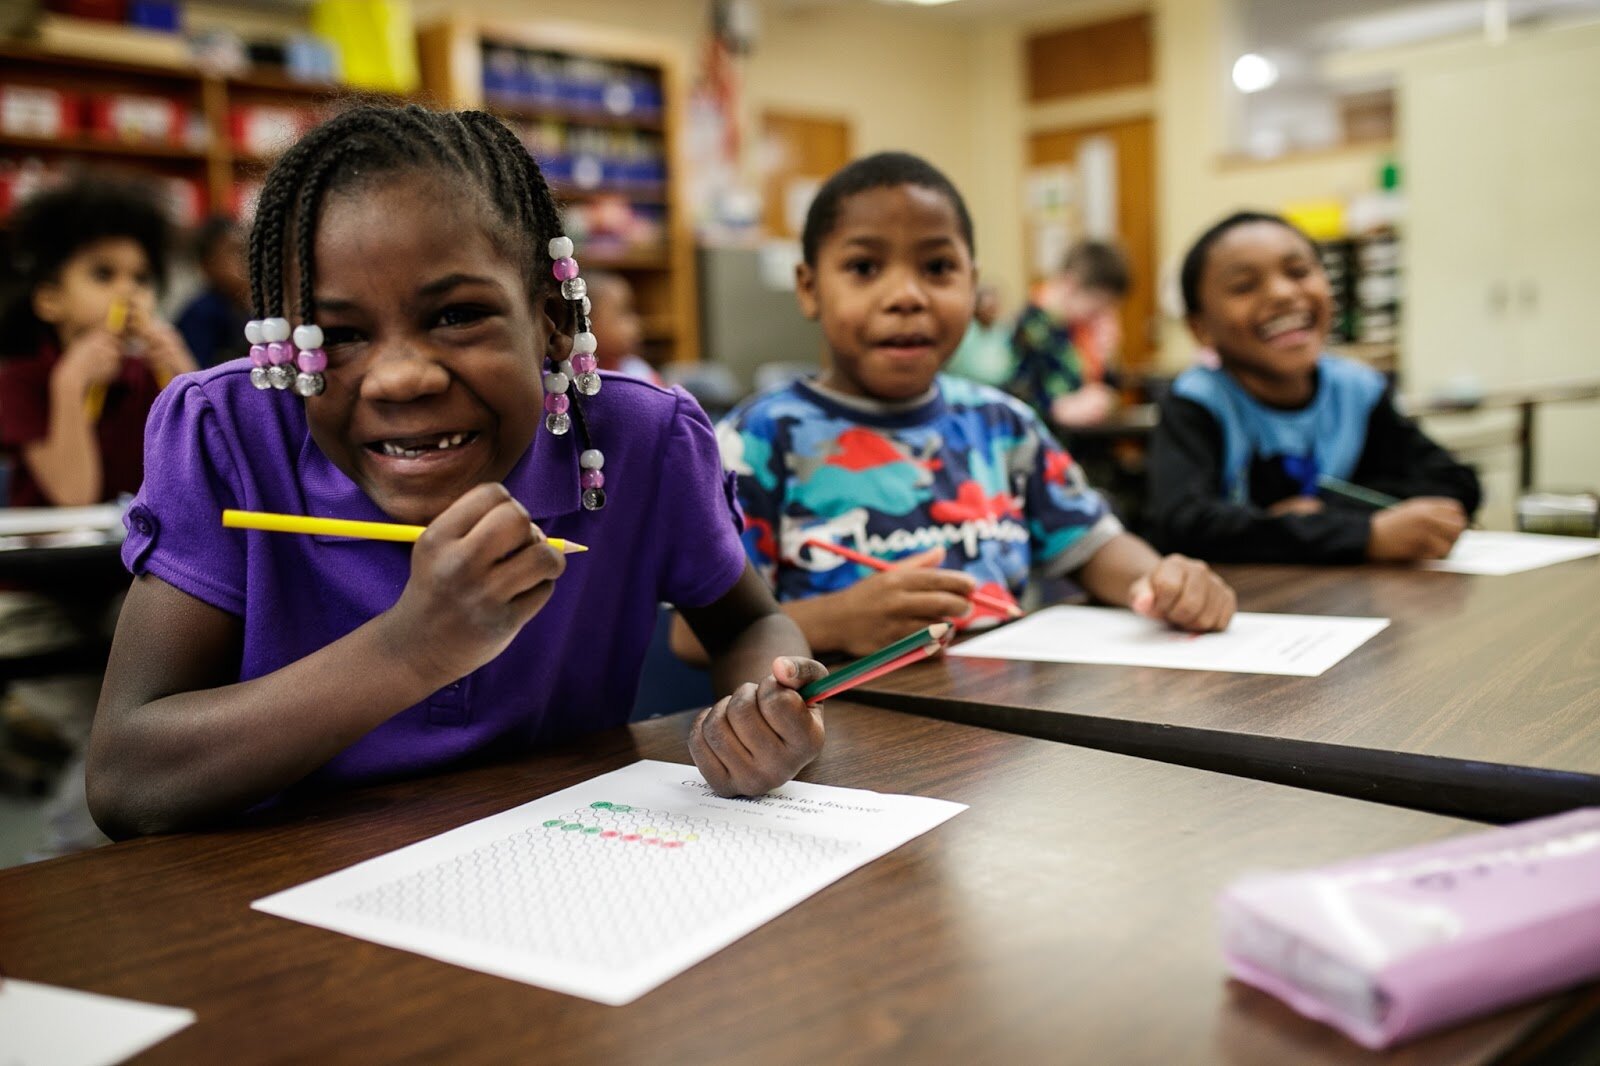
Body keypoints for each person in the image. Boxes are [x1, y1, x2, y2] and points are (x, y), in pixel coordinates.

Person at [86, 104, 826, 838]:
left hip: (567, 871)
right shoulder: (231, 436)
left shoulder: (640, 442)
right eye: (335, 335)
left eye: (456, 316)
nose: (400, 378)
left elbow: (750, 623)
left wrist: (766, 710)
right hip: (270, 897)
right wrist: (410, 649)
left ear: (551, 319)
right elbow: (127, 781)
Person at [673, 152, 1234, 663]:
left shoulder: (1003, 424)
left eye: (938, 268)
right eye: (865, 268)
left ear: (974, 285)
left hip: (1014, 737)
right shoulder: (758, 440)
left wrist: (1162, 579)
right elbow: (693, 635)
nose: (907, 296)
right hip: (846, 740)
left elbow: (1093, 543)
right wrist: (835, 621)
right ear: (809, 287)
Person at [0, 174, 197, 856]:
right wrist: (67, 386)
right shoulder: (25, 377)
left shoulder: (148, 380)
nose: (128, 293)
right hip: (33, 604)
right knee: (104, 743)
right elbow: (73, 491)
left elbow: (208, 465)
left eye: (141, 277)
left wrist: (180, 372)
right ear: (50, 299)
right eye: (103, 273)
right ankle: (60, 865)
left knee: (153, 710)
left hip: (115, 588)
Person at [1144, 211, 1480, 563]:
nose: (1283, 293)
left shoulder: (1357, 389)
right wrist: (1364, 535)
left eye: (1299, 272)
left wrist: (1326, 511)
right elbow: (1183, 525)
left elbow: (1456, 485)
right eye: (1244, 286)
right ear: (1200, 328)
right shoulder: (1197, 402)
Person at [1007, 240, 1128, 432]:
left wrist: (1106, 356)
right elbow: (1015, 398)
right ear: (1071, 285)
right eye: (1098, 307)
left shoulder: (1076, 328)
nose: (1101, 317)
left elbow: (1102, 387)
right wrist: (1055, 408)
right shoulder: (1031, 327)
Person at [176, 214, 251, 368]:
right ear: (206, 264)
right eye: (232, 251)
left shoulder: (246, 309)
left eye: (245, 250)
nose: (243, 260)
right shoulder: (200, 315)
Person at [584, 270, 661, 384]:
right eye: (624, 312)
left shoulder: (640, 375)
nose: (636, 322)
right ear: (587, 322)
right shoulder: (566, 379)